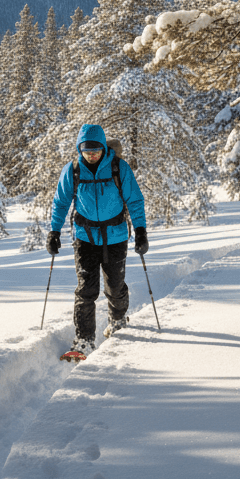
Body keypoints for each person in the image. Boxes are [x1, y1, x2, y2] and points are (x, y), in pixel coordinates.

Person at [47, 123, 148, 360]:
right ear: (79, 150)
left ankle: (118, 321)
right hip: (85, 237)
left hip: (116, 236)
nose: (91, 155)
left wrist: (141, 231)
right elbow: (61, 202)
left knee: (114, 285)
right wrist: (54, 231)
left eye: (95, 151)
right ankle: (84, 339)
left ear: (103, 148)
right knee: (86, 290)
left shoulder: (118, 168)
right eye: (86, 151)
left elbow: (135, 200)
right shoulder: (73, 170)